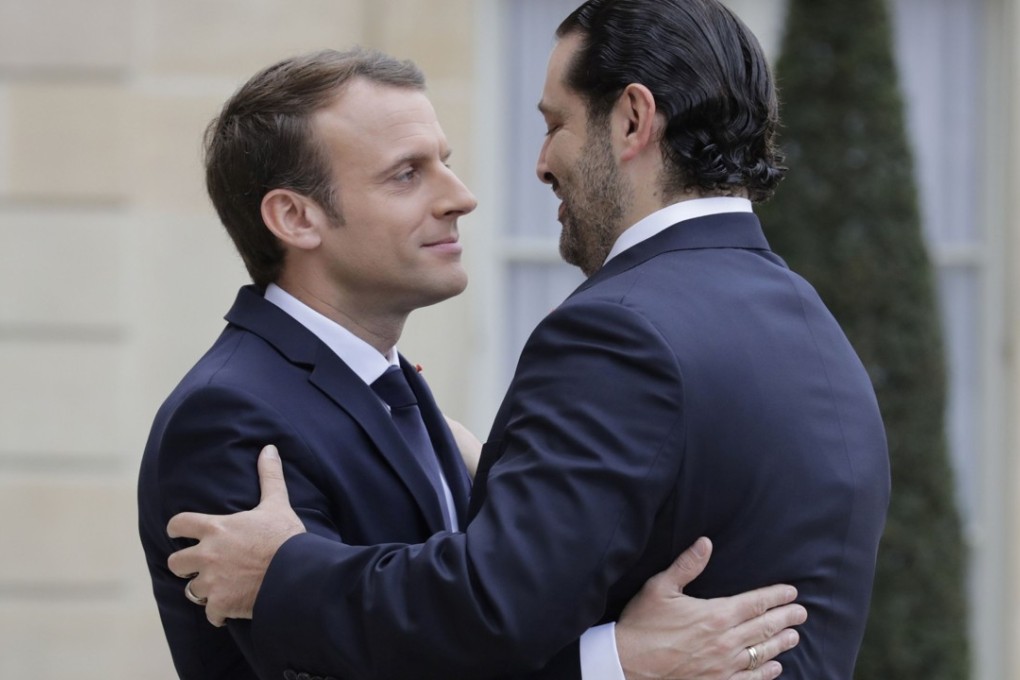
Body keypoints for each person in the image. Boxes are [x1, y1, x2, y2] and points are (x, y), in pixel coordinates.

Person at [170, 0, 891, 677]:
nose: (538, 164)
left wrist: (280, 576)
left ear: (634, 120)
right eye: (405, 173)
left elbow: (492, 606)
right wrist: (618, 654)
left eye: (555, 124)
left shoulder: (621, 331)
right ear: (294, 218)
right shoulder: (810, 323)